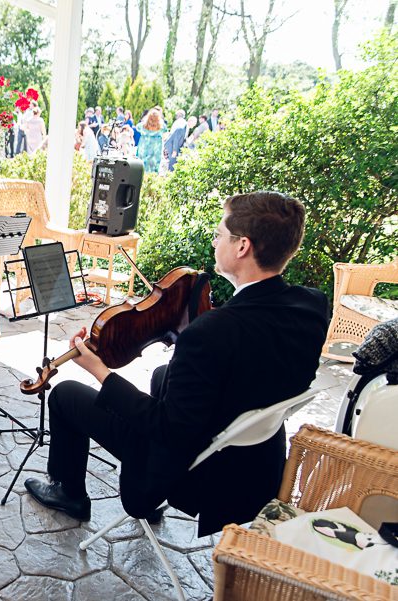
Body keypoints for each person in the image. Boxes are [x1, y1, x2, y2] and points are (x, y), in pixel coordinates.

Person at [24, 191, 328, 536]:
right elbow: (250, 354)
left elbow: (165, 428)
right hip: (252, 461)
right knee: (162, 373)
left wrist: (99, 370)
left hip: (190, 468)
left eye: (219, 234)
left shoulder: (212, 332)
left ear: (242, 246)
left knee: (65, 394)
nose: (215, 242)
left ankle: (69, 493)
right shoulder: (311, 305)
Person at [135, 108, 166, 173]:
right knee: (153, 170)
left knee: (141, 170)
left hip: (143, 151)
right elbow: (165, 133)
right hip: (155, 152)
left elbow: (137, 127)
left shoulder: (142, 126)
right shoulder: (162, 128)